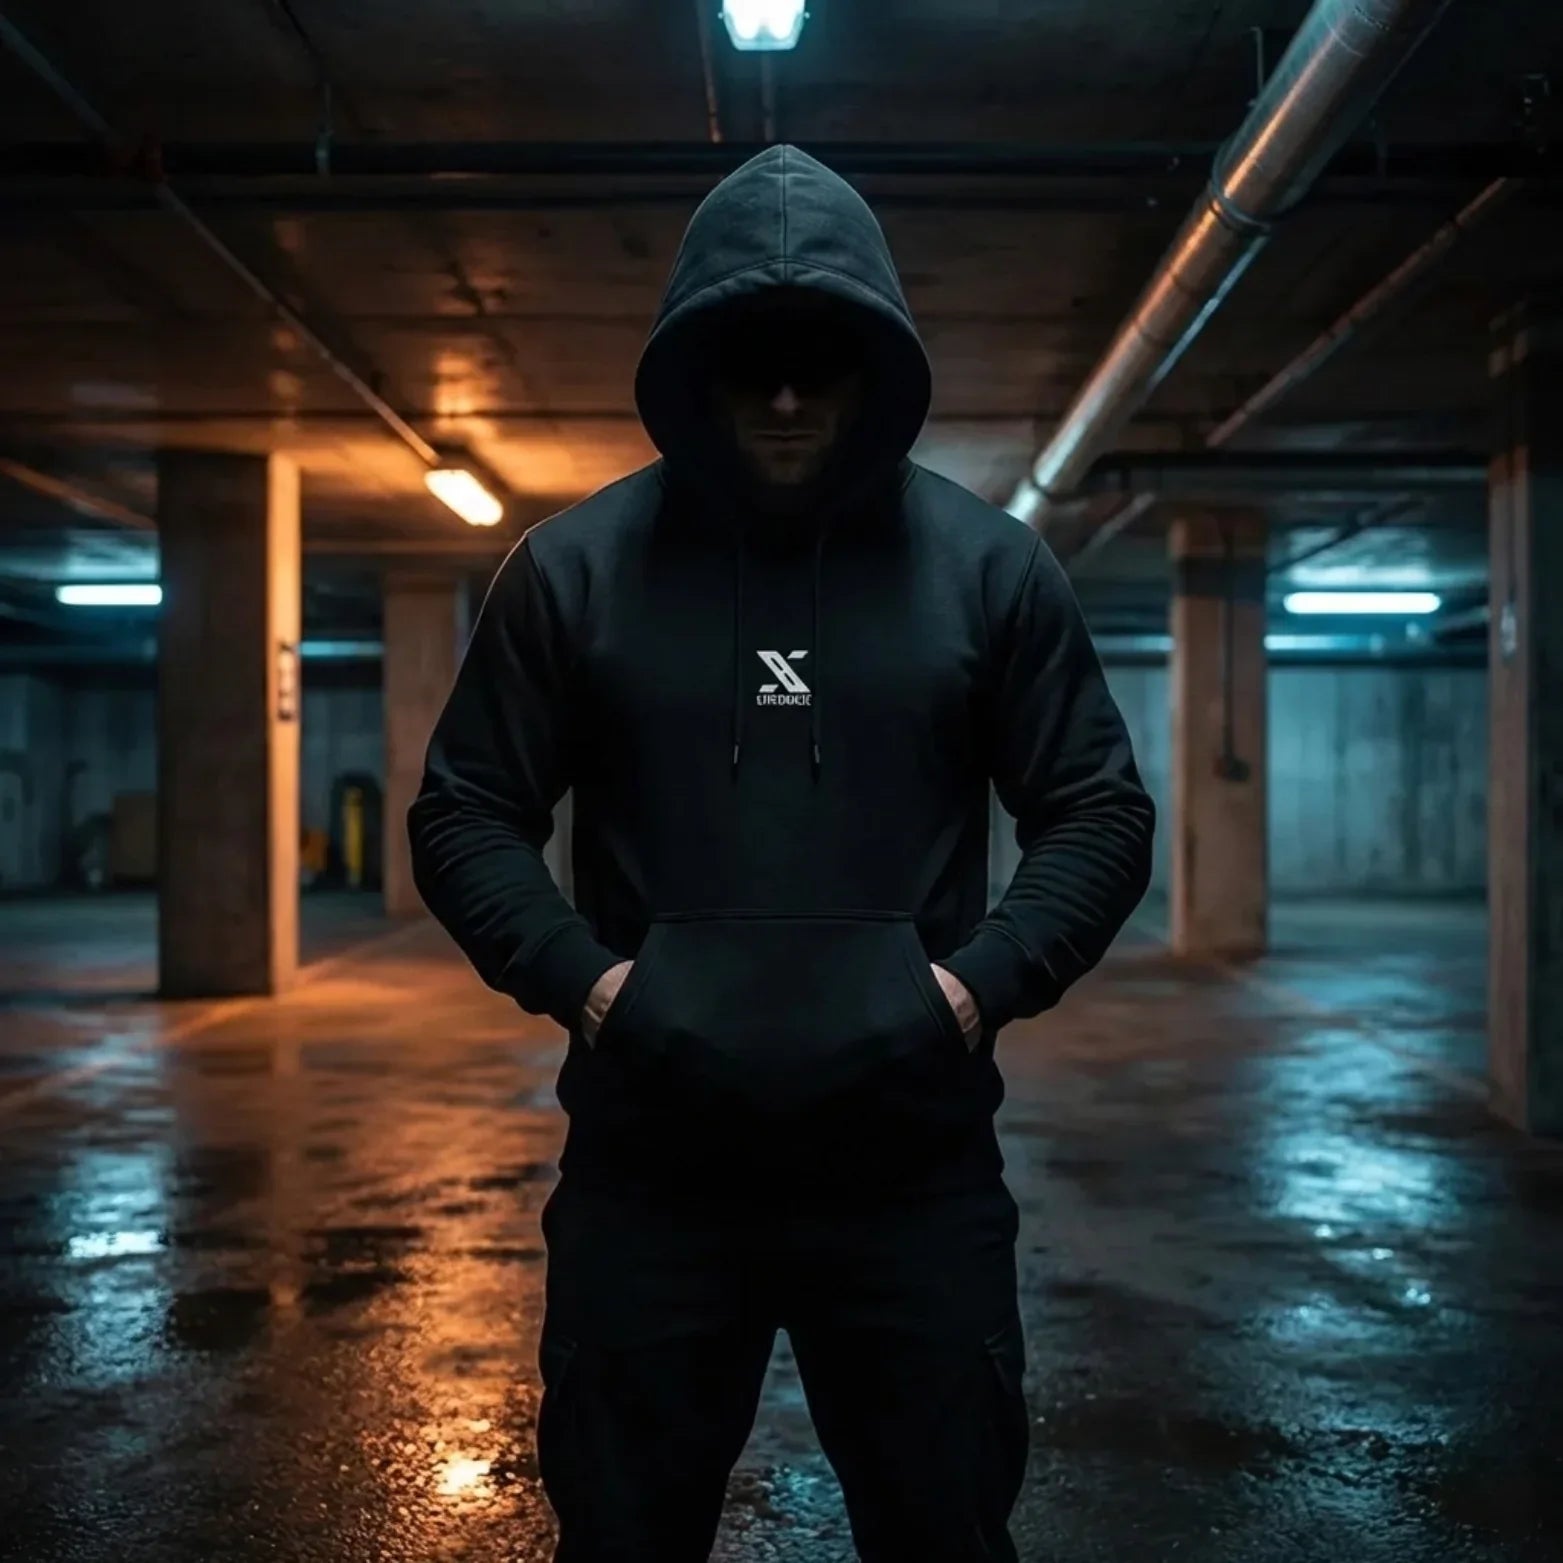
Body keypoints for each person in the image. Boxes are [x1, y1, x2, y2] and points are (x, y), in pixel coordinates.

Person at [408, 144, 1155, 1563]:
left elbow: (1098, 808)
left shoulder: (989, 568)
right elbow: (464, 810)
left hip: (912, 1175)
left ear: (881, 370)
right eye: (754, 365)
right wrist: (591, 985)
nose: (793, 396)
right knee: (626, 1538)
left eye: (825, 362)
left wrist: (975, 987)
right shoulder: (573, 571)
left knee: (943, 1532)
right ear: (694, 373)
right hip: (653, 1175)